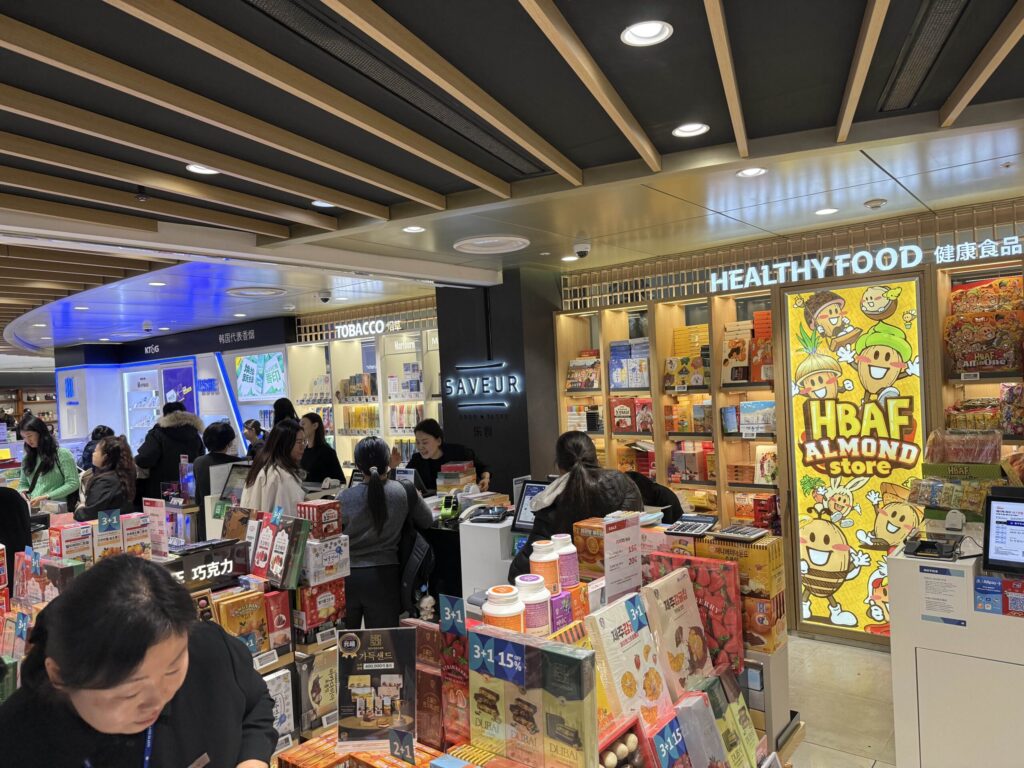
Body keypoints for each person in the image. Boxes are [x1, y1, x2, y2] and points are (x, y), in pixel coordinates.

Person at [0, 555, 277, 767]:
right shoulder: (16, 744)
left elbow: (255, 703)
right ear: (59, 675)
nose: (158, 700)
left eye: (173, 670)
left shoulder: (206, 651)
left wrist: (252, 759)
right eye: (130, 691)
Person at [509, 431, 642, 581]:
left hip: (572, 589)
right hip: (625, 579)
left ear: (559, 466)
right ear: (596, 458)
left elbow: (520, 572)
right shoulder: (623, 484)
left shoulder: (550, 501)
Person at [339, 436, 434, 629]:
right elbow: (426, 520)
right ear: (388, 461)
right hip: (386, 577)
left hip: (346, 577)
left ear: (358, 466)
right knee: (383, 641)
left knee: (348, 641)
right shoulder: (403, 491)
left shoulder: (344, 498)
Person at [393, 418, 490, 492]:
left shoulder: (459, 452)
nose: (420, 447)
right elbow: (402, 483)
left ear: (438, 441)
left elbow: (483, 468)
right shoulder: (417, 459)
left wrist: (485, 479)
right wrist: (393, 467)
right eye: (417, 442)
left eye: (425, 442)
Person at [134, 402, 205, 501]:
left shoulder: (157, 434)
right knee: (187, 509)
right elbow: (200, 458)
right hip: (189, 488)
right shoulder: (195, 435)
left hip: (162, 490)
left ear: (165, 415)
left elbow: (144, 459)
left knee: (166, 511)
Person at [240, 419, 305, 515]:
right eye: (299, 442)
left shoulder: (262, 464)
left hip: (254, 522)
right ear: (284, 443)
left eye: (304, 441)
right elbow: (280, 513)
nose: (303, 446)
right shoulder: (282, 476)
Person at [18, 416, 80, 509]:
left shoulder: (62, 454)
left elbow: (73, 483)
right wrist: (23, 493)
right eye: (24, 437)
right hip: (34, 509)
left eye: (30, 436)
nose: (27, 441)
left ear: (41, 433)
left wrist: (47, 496)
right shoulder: (27, 458)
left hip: (58, 509)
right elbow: (23, 484)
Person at [75, 435, 135, 521]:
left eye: (96, 451)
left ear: (105, 457)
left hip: (105, 526)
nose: (93, 454)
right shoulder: (123, 474)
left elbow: (89, 514)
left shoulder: (106, 481)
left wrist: (80, 508)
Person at [192, 422, 244, 513]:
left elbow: (198, 495)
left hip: (204, 512)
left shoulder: (198, 462)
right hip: (228, 513)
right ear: (229, 442)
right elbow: (239, 494)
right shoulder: (237, 462)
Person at [300, 412, 344, 486]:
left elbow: (340, 480)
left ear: (315, 425)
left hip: (321, 492)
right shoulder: (303, 451)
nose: (300, 428)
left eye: (303, 424)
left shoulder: (327, 452)